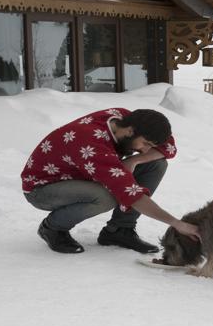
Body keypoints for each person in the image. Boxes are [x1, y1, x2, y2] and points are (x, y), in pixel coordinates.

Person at [21, 108, 200, 254]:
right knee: (106, 197)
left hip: (85, 176)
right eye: (145, 143)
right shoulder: (89, 142)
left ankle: (119, 230)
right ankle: (53, 228)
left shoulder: (125, 119)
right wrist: (177, 223)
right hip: (43, 189)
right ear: (130, 131)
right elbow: (131, 195)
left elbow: (168, 146)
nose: (145, 150)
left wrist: (134, 160)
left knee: (156, 164)